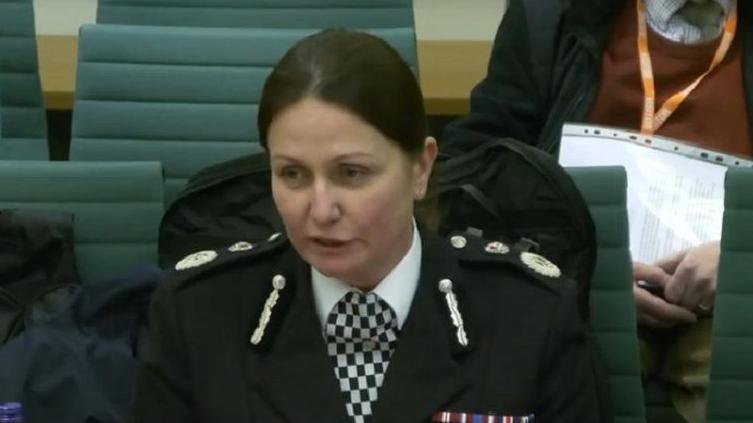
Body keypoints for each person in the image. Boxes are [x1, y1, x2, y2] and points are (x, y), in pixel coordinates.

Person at [128, 29, 604, 422]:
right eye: (292, 174)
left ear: (420, 169)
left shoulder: (530, 317)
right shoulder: (199, 314)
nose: (321, 209)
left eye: (351, 174)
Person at [442, 0, 744, 420]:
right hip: (576, 283)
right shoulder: (549, 17)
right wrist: (582, 269)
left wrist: (743, 255)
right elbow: (472, 171)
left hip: (732, 293)